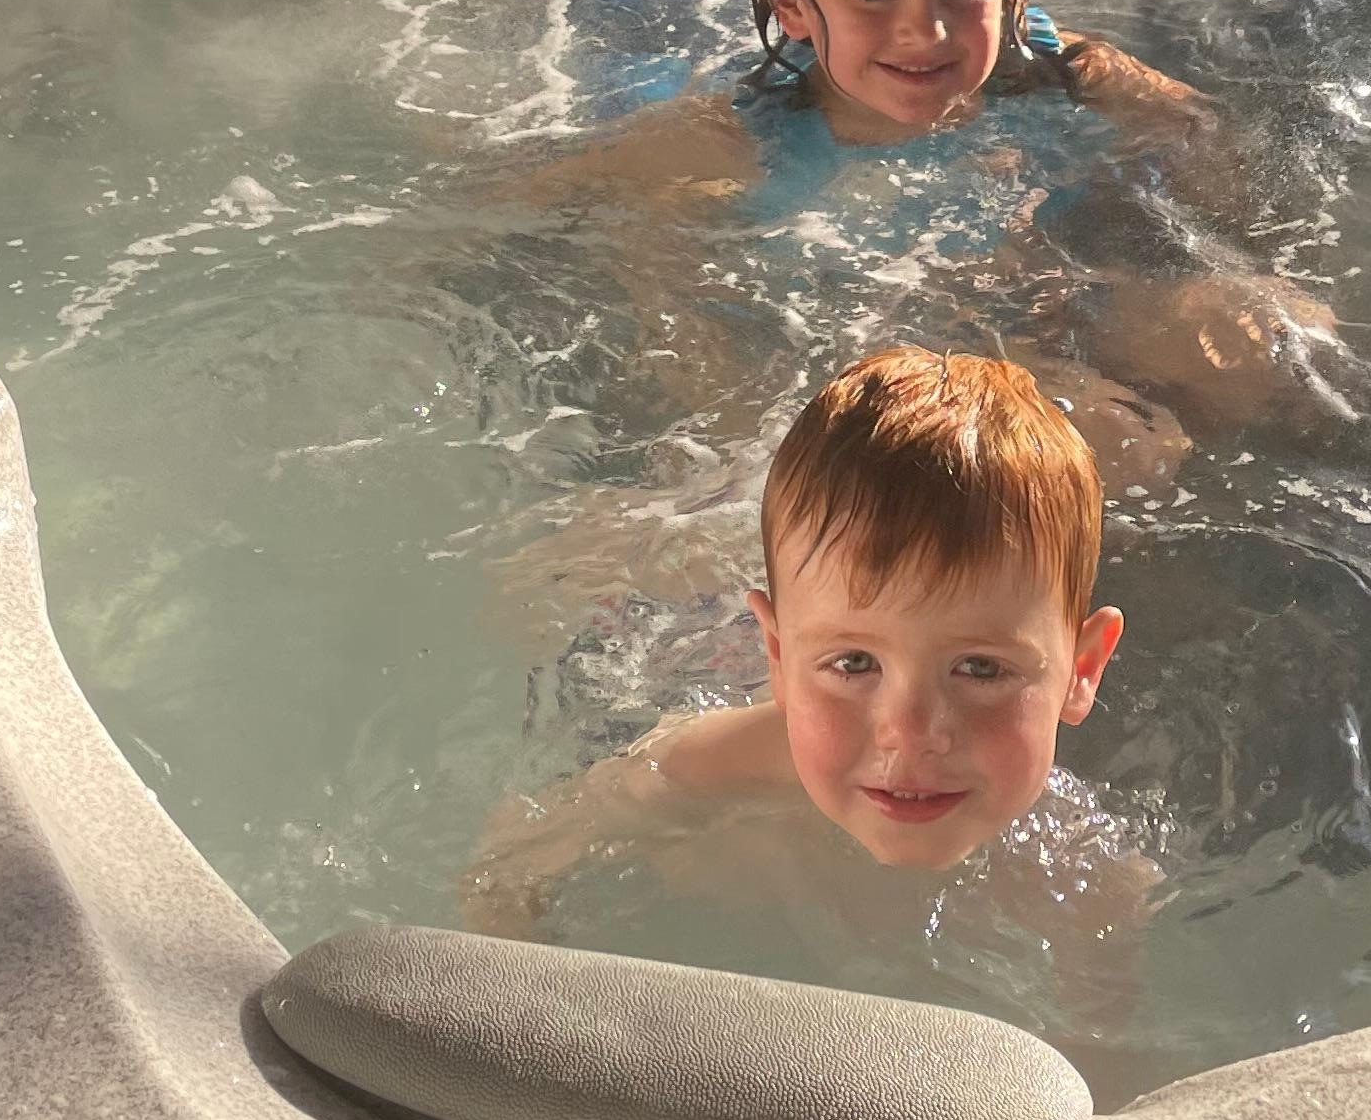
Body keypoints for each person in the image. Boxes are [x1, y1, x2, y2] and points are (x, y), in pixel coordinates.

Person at [563, 0, 1347, 442]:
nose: (926, 31)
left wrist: (1205, 225)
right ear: (792, 5)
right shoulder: (745, 138)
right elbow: (541, 195)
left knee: (1278, 338)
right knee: (1119, 448)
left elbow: (1206, 131)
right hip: (920, 375)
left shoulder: (1061, 70)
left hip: (1079, 301)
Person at [465, 349, 1137, 924]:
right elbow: (505, 863)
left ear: (1082, 669)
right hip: (669, 637)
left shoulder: (1094, 876)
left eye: (981, 670)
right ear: (780, 660)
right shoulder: (698, 769)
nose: (909, 730)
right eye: (854, 663)